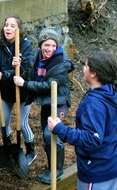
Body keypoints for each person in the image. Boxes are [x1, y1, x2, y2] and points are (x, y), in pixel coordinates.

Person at [48, 50, 117, 190]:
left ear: (93, 73)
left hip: (98, 171)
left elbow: (92, 138)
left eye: (85, 66)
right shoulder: (113, 90)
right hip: (114, 162)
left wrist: (60, 129)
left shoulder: (93, 104)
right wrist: (113, 132)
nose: (83, 68)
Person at [13, 27, 75, 183]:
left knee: (50, 134)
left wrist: (25, 84)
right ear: (41, 44)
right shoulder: (36, 55)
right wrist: (18, 64)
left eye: (53, 46)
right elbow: (28, 69)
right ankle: (51, 168)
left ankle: (58, 169)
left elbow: (48, 86)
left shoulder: (61, 63)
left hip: (58, 102)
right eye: (47, 45)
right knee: (47, 136)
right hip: (46, 102)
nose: (50, 49)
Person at [0, 14, 37, 165]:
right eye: (6, 25)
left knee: (22, 124)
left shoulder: (25, 46)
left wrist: (19, 65)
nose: (8, 28)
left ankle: (31, 150)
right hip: (6, 91)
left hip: (22, 91)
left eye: (12, 26)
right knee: (4, 123)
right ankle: (9, 150)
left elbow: (28, 69)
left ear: (18, 29)